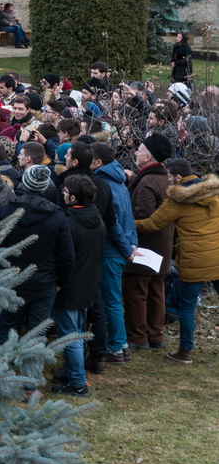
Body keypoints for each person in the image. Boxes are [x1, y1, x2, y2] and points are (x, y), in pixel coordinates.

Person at [134, 160, 219, 364]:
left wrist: (124, 223)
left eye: (169, 177)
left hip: (194, 260)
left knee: (187, 307)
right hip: (217, 256)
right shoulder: (214, 193)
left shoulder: (177, 200)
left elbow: (153, 224)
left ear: (178, 178)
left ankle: (185, 351)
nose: (168, 180)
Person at [0, 165, 73, 344]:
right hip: (43, 281)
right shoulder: (57, 216)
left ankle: (5, 369)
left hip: (13, 280)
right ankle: (32, 369)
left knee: (9, 327)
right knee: (37, 331)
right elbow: (66, 255)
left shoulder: (7, 211)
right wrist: (61, 281)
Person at [52, 173, 104, 395]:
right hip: (88, 283)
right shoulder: (97, 220)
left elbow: (64, 258)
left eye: (64, 192)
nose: (62, 194)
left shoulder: (70, 224)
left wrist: (58, 283)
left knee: (70, 334)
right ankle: (73, 371)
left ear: (73, 198)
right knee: (79, 330)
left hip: (70, 287)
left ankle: (77, 382)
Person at [123, 133, 174, 351]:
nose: (136, 151)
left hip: (146, 247)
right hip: (162, 245)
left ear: (148, 156)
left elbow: (142, 216)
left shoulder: (148, 181)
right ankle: (155, 335)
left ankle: (137, 336)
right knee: (156, 292)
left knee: (137, 291)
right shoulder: (163, 178)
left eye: (140, 149)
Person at [90, 143, 138, 365]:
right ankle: (122, 344)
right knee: (113, 299)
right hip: (121, 248)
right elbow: (129, 216)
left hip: (112, 251)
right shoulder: (120, 182)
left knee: (110, 300)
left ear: (98, 162)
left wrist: (127, 248)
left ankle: (116, 347)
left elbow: (114, 222)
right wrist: (132, 243)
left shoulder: (106, 185)